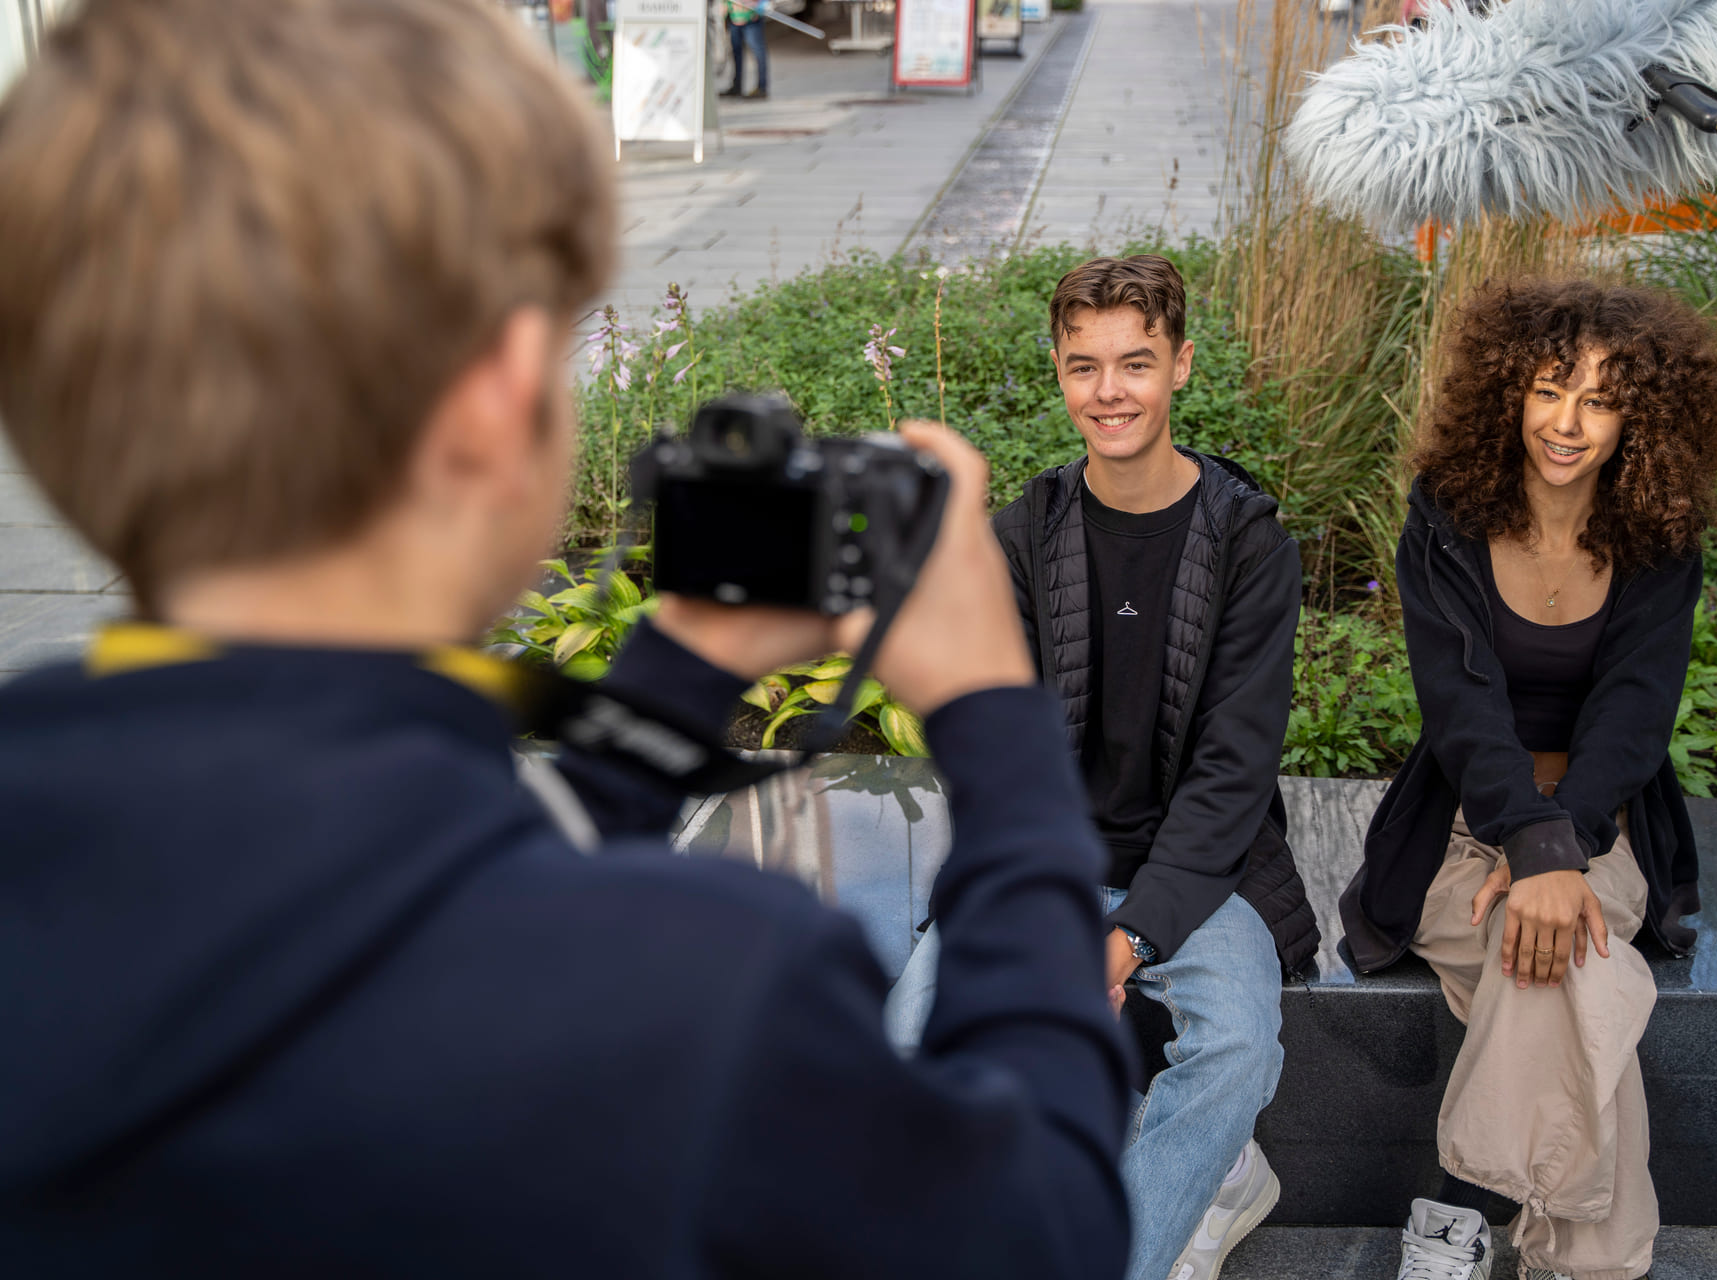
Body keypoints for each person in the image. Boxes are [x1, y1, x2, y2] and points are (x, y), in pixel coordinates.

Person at [0, 1, 1133, 1274]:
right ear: (493, 396)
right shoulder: (700, 991)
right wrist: (992, 712)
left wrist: (670, 689)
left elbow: (367, 886)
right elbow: (1041, 1221)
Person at [885, 255, 1319, 1280]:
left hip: (1207, 870)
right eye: (1085, 366)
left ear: (1181, 366)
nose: (1109, 391)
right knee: (908, 1045)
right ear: (1059, 371)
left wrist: (1124, 940)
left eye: (1136, 362)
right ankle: (1184, 1168)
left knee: (1236, 1048)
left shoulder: (1251, 544)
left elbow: (1233, 770)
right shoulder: (1023, 535)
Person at [1341, 280, 1717, 1280]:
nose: (1566, 422)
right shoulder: (1446, 514)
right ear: (1511, 388)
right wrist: (1526, 847)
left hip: (1603, 825)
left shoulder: (1660, 532)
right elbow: (1460, 701)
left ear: (1639, 420)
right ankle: (1593, 1259)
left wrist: (1561, 849)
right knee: (1584, 968)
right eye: (1551, 388)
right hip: (1457, 828)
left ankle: (1458, 1206)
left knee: (1556, 946)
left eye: (1601, 401)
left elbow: (1635, 714)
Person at [719, 0, 767, 99]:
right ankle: (736, 87)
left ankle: (762, 88)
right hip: (735, 17)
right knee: (736, 52)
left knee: (758, 52)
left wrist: (758, 8)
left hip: (752, 17)